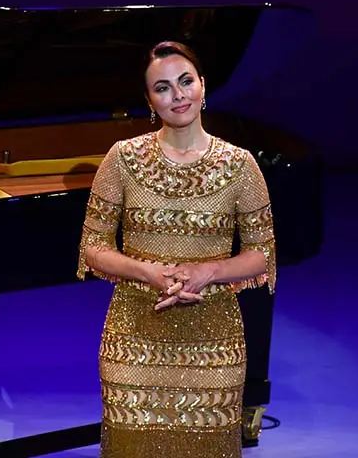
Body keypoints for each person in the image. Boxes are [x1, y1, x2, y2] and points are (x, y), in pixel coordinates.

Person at [76, 40, 277, 458]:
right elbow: (93, 248)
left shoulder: (240, 165)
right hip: (134, 336)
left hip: (213, 342)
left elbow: (262, 255)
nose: (178, 95)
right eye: (163, 87)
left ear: (203, 85)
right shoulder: (122, 159)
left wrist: (208, 271)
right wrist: (150, 272)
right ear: (150, 100)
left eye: (186, 82)